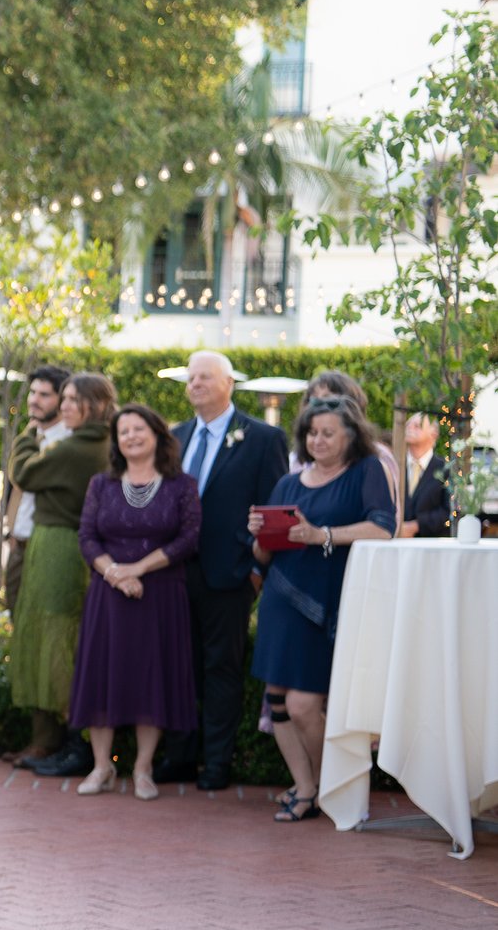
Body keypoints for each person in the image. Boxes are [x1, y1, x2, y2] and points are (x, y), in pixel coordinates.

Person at [251, 398, 395, 824]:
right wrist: (258, 534)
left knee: (303, 705)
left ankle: (327, 783)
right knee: (278, 700)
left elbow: (383, 527)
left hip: (330, 602)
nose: (318, 440)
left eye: (328, 432)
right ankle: (308, 786)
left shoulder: (366, 471)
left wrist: (322, 535)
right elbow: (262, 555)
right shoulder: (288, 483)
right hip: (281, 598)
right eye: (312, 432)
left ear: (350, 435)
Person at [150, 352, 289, 792]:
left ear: (229, 382)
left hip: (228, 576)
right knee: (177, 667)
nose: (195, 384)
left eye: (205, 377)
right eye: (191, 378)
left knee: (221, 671)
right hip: (175, 572)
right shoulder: (176, 436)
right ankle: (180, 757)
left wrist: (255, 568)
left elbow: (272, 507)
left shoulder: (263, 438)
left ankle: (216, 764)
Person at [69, 405, 202, 800]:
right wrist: (115, 574)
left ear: (158, 434)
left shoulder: (182, 485)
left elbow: (188, 539)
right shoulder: (101, 484)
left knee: (151, 678)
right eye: (123, 431)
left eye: (138, 429)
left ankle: (142, 768)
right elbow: (87, 538)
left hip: (160, 595)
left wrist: (137, 570)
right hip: (108, 597)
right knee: (101, 676)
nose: (130, 436)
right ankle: (101, 767)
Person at [5, 373, 113, 778]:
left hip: (62, 550)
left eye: (72, 400)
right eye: (63, 399)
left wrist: (29, 438)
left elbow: (26, 474)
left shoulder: (82, 446)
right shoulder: (84, 442)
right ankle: (57, 741)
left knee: (57, 644)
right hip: (52, 545)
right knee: (50, 640)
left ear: (95, 405)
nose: (65, 406)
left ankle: (75, 744)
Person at [0, 365, 71, 617]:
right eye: (32, 392)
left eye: (44, 394)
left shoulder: (68, 444)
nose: (34, 400)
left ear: (62, 401)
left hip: (50, 547)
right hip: (19, 545)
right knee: (16, 617)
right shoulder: (29, 437)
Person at [398, 414, 451, 540]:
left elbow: (449, 510)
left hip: (432, 546)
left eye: (417, 426)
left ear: (433, 434)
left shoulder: (446, 469)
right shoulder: (395, 465)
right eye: (408, 425)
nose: (410, 429)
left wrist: (416, 525)